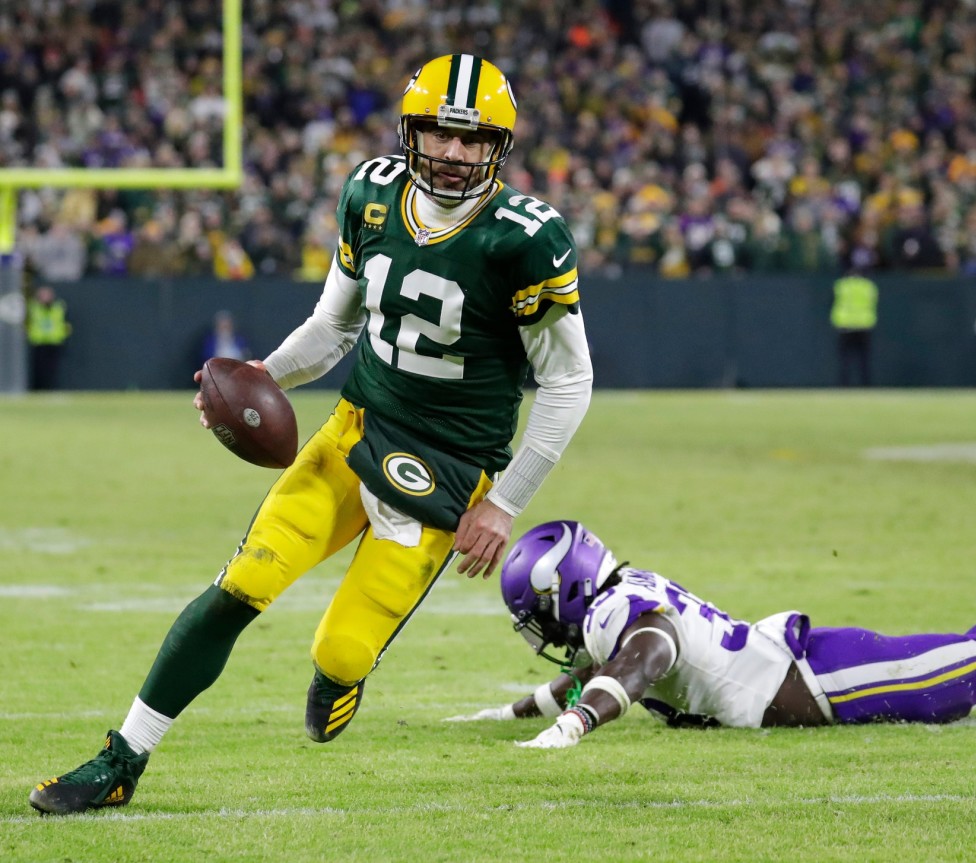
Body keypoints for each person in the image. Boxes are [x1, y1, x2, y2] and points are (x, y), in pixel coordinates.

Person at [30, 53, 593, 814]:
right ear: (410, 131)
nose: (454, 154)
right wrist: (258, 379)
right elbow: (334, 328)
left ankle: (341, 673)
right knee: (240, 587)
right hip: (353, 428)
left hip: (448, 473)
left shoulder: (524, 238)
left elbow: (568, 380)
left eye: (473, 139)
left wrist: (505, 503)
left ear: (500, 146)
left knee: (339, 652)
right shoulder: (371, 193)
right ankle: (123, 756)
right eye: (438, 134)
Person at [446, 436, 976, 746]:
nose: (538, 628)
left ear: (561, 591)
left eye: (535, 612)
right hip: (810, 668)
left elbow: (646, 657)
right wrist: (504, 710)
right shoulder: (616, 598)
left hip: (824, 681)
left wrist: (571, 727)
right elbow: (601, 669)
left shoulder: (623, 622)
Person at [829, 265, 878, 387]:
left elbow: (833, 302)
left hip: (845, 325)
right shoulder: (869, 286)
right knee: (864, 359)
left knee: (845, 358)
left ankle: (844, 384)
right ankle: (866, 384)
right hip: (864, 325)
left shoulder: (841, 286)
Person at [26, 285, 72, 391]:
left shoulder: (58, 308)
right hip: (38, 342)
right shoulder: (33, 307)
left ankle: (51, 389)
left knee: (52, 369)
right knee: (39, 369)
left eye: (47, 295)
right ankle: (38, 390)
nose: (45, 297)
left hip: (54, 342)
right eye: (43, 295)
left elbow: (65, 323)